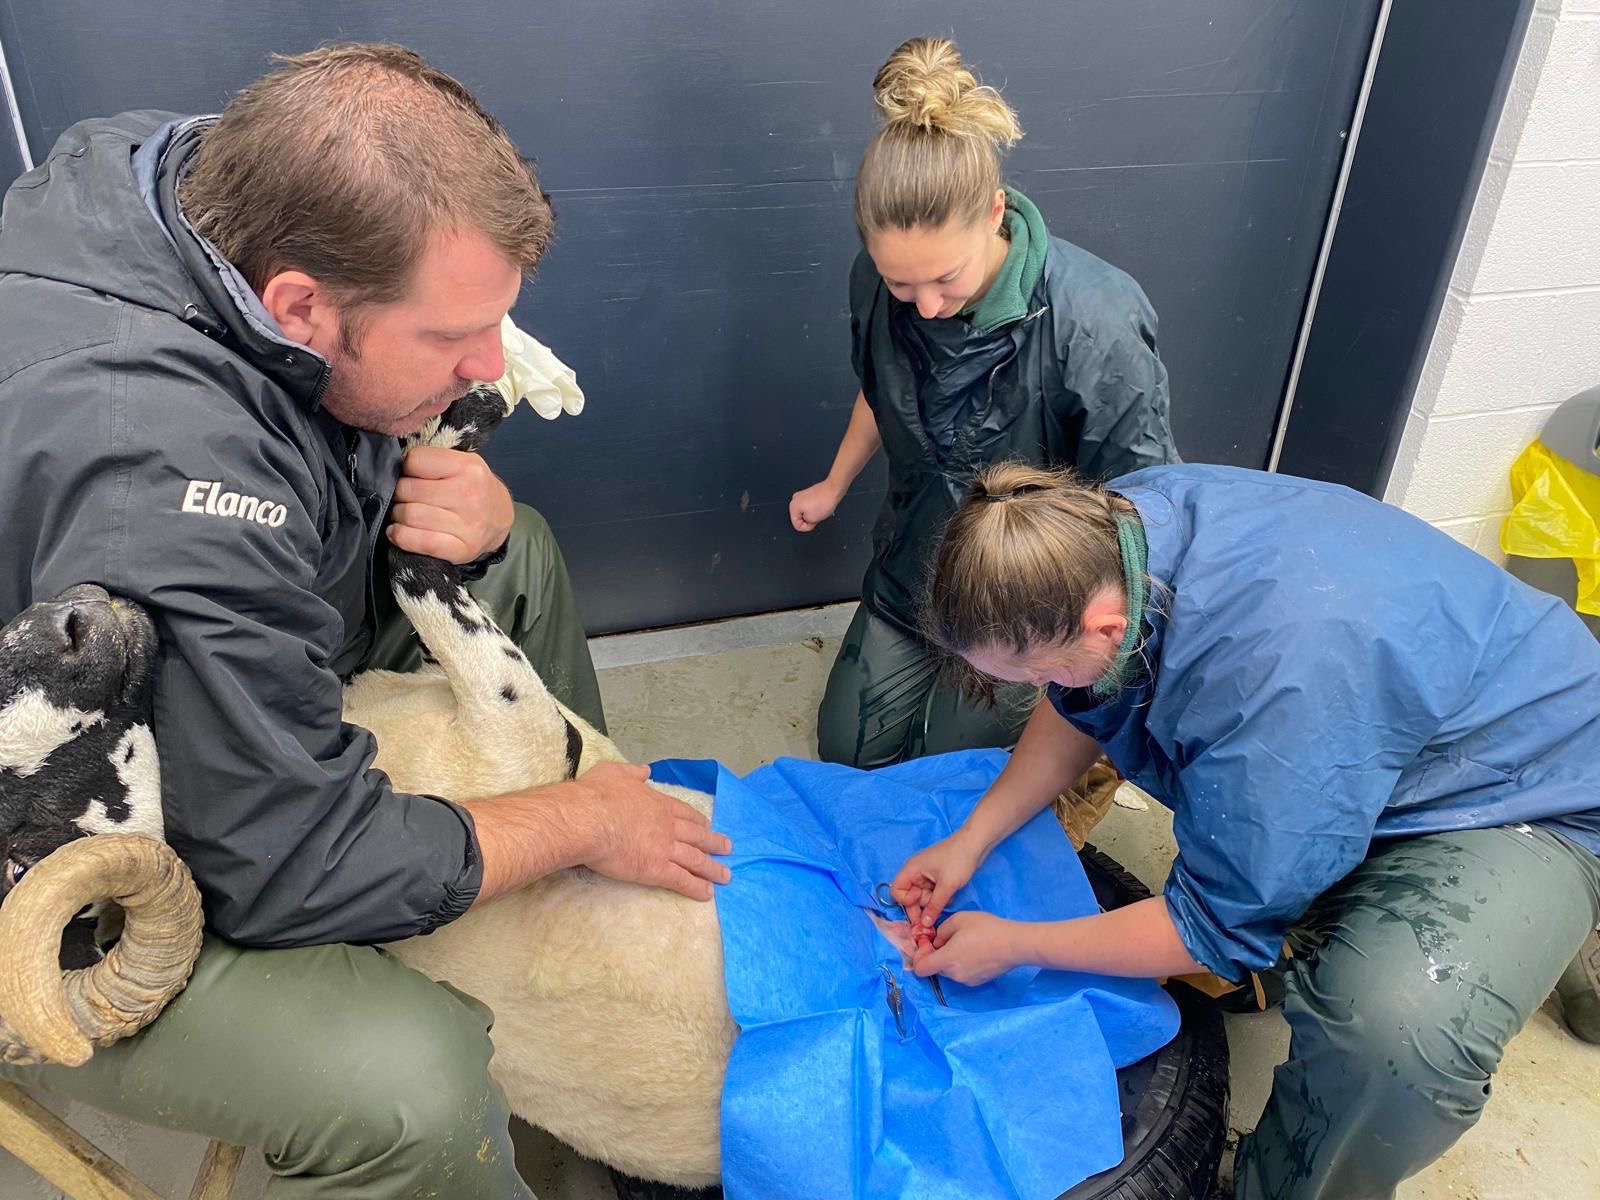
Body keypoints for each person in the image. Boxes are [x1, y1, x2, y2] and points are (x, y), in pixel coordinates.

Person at [0, 44, 728, 1198]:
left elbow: (305, 426)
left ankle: (567, 977)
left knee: (516, 550)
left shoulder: (187, 178)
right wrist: (576, 821)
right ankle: (491, 1089)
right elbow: (286, 862)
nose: (489, 367)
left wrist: (461, 512)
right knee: (412, 1087)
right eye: (452, 341)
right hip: (50, 856)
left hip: (201, 654)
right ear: (300, 303)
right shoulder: (160, 478)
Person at [889, 461, 1600, 1199]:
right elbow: (1082, 698)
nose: (1040, 692)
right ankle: (1311, 916)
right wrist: (967, 841)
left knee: (1390, 1034)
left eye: (1035, 675)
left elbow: (1208, 928)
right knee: (1262, 848)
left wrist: (1014, 945)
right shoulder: (1096, 535)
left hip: (1531, 788)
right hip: (1376, 728)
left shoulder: (1275, 690)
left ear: (1103, 627)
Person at [789, 36, 1178, 779]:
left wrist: (1089, 662)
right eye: (903, 285)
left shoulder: (1095, 321)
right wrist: (834, 483)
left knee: (949, 764)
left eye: (945, 278)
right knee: (850, 751)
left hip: (1027, 590)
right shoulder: (874, 284)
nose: (926, 307)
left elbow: (1145, 505)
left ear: (995, 212)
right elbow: (883, 388)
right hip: (915, 557)